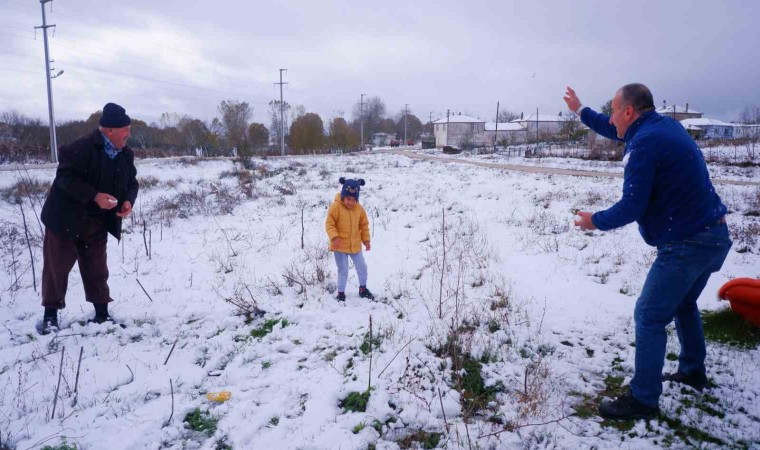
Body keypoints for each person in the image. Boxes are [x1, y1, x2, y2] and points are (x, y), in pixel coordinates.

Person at [563, 84, 731, 420]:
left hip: (687, 243)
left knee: (649, 315)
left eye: (613, 110)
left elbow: (632, 206)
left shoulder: (644, 145)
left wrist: (594, 221)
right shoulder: (662, 126)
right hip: (714, 236)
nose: (611, 118)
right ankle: (693, 371)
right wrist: (580, 110)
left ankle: (642, 400)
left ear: (629, 111)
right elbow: (611, 128)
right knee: (683, 303)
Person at [39, 102, 139, 334]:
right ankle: (50, 316)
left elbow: (131, 182)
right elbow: (65, 178)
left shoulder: (126, 154)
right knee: (57, 268)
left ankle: (102, 314)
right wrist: (94, 196)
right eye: (126, 129)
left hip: (97, 222)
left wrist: (127, 201)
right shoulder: (80, 148)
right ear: (110, 130)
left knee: (96, 268)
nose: (129, 134)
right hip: (65, 220)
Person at [325, 177, 374, 302]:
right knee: (343, 270)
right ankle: (341, 293)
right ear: (343, 196)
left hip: (355, 246)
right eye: (348, 199)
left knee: (362, 267)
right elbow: (329, 224)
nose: (350, 202)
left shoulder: (359, 209)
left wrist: (366, 240)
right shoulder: (336, 207)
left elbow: (364, 225)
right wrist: (334, 237)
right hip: (340, 246)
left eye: (353, 199)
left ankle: (363, 289)